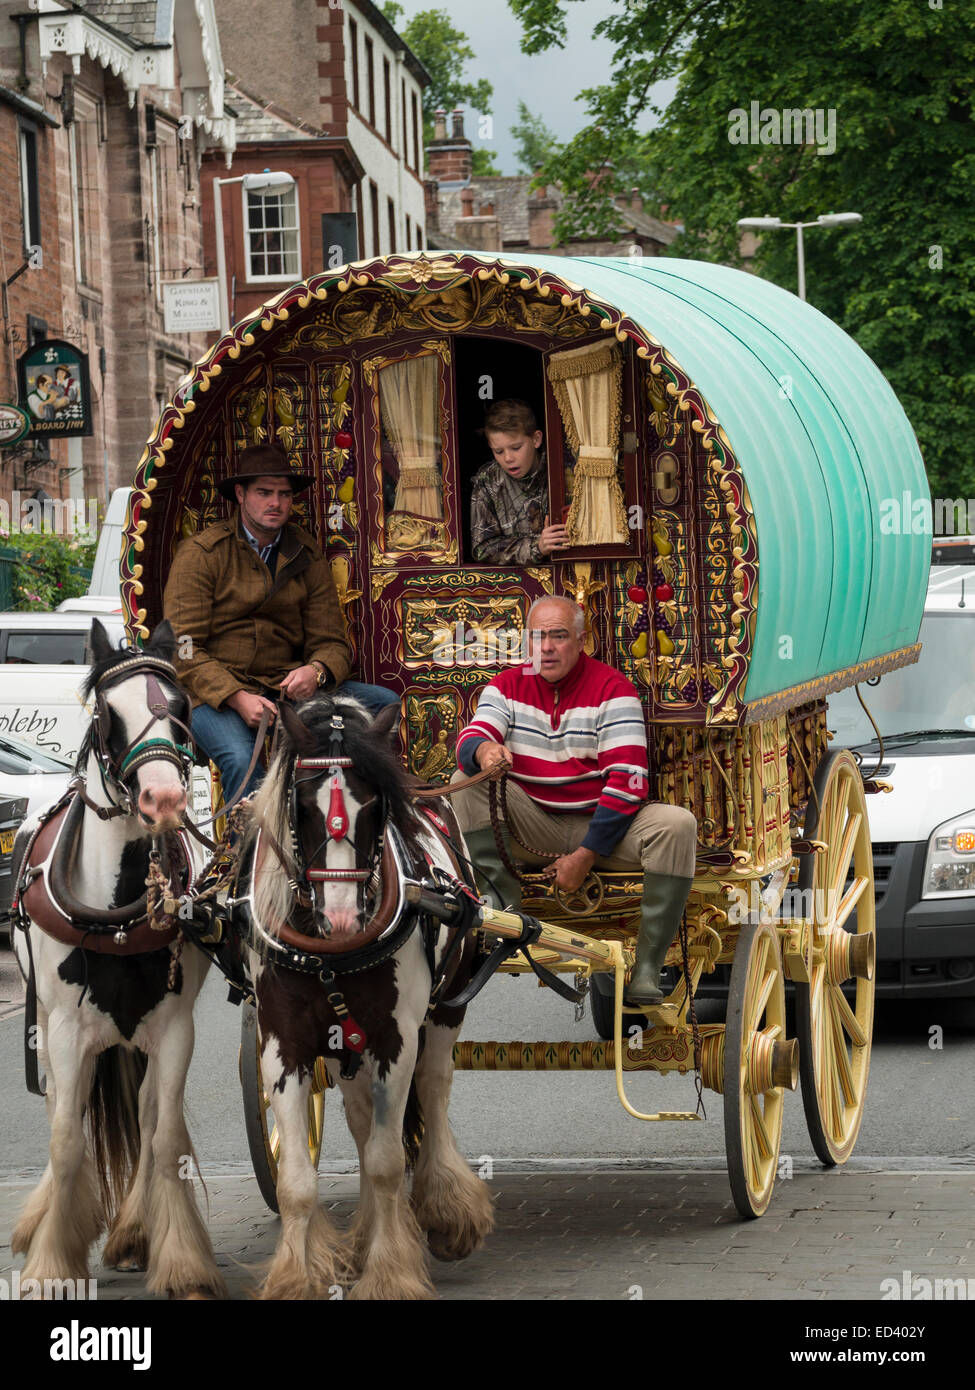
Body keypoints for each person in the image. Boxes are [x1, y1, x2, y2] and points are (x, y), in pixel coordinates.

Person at [450, 595, 698, 1006]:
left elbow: (627, 783)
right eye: (537, 637)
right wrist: (484, 752)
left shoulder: (613, 689)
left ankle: (649, 968)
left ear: (581, 640)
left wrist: (584, 856)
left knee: (677, 825)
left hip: (603, 827)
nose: (546, 647)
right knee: (466, 777)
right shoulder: (505, 687)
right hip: (534, 822)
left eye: (559, 636)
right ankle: (503, 908)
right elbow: (471, 736)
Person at [163, 443, 397, 800]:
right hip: (216, 697)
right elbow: (184, 647)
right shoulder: (201, 554)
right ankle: (248, 853)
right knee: (243, 759)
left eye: (284, 494)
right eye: (264, 492)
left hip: (287, 690)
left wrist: (316, 672)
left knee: (383, 704)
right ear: (240, 495)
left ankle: (370, 831)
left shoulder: (304, 550)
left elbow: (333, 641)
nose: (276, 503)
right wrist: (237, 697)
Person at [470, 399, 569, 565]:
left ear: (536, 439)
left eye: (516, 448)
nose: (508, 458)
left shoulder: (564, 470)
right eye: (498, 451)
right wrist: (537, 546)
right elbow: (482, 549)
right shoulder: (488, 481)